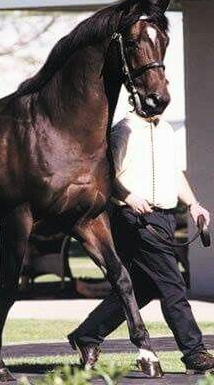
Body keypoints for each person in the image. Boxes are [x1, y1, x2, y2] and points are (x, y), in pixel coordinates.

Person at [68, 110, 213, 374]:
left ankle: (87, 334)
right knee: (173, 285)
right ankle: (194, 353)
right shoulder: (123, 131)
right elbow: (105, 176)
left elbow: (174, 172)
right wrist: (129, 196)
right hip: (135, 218)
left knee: (140, 288)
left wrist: (194, 204)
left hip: (165, 218)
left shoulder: (166, 130)